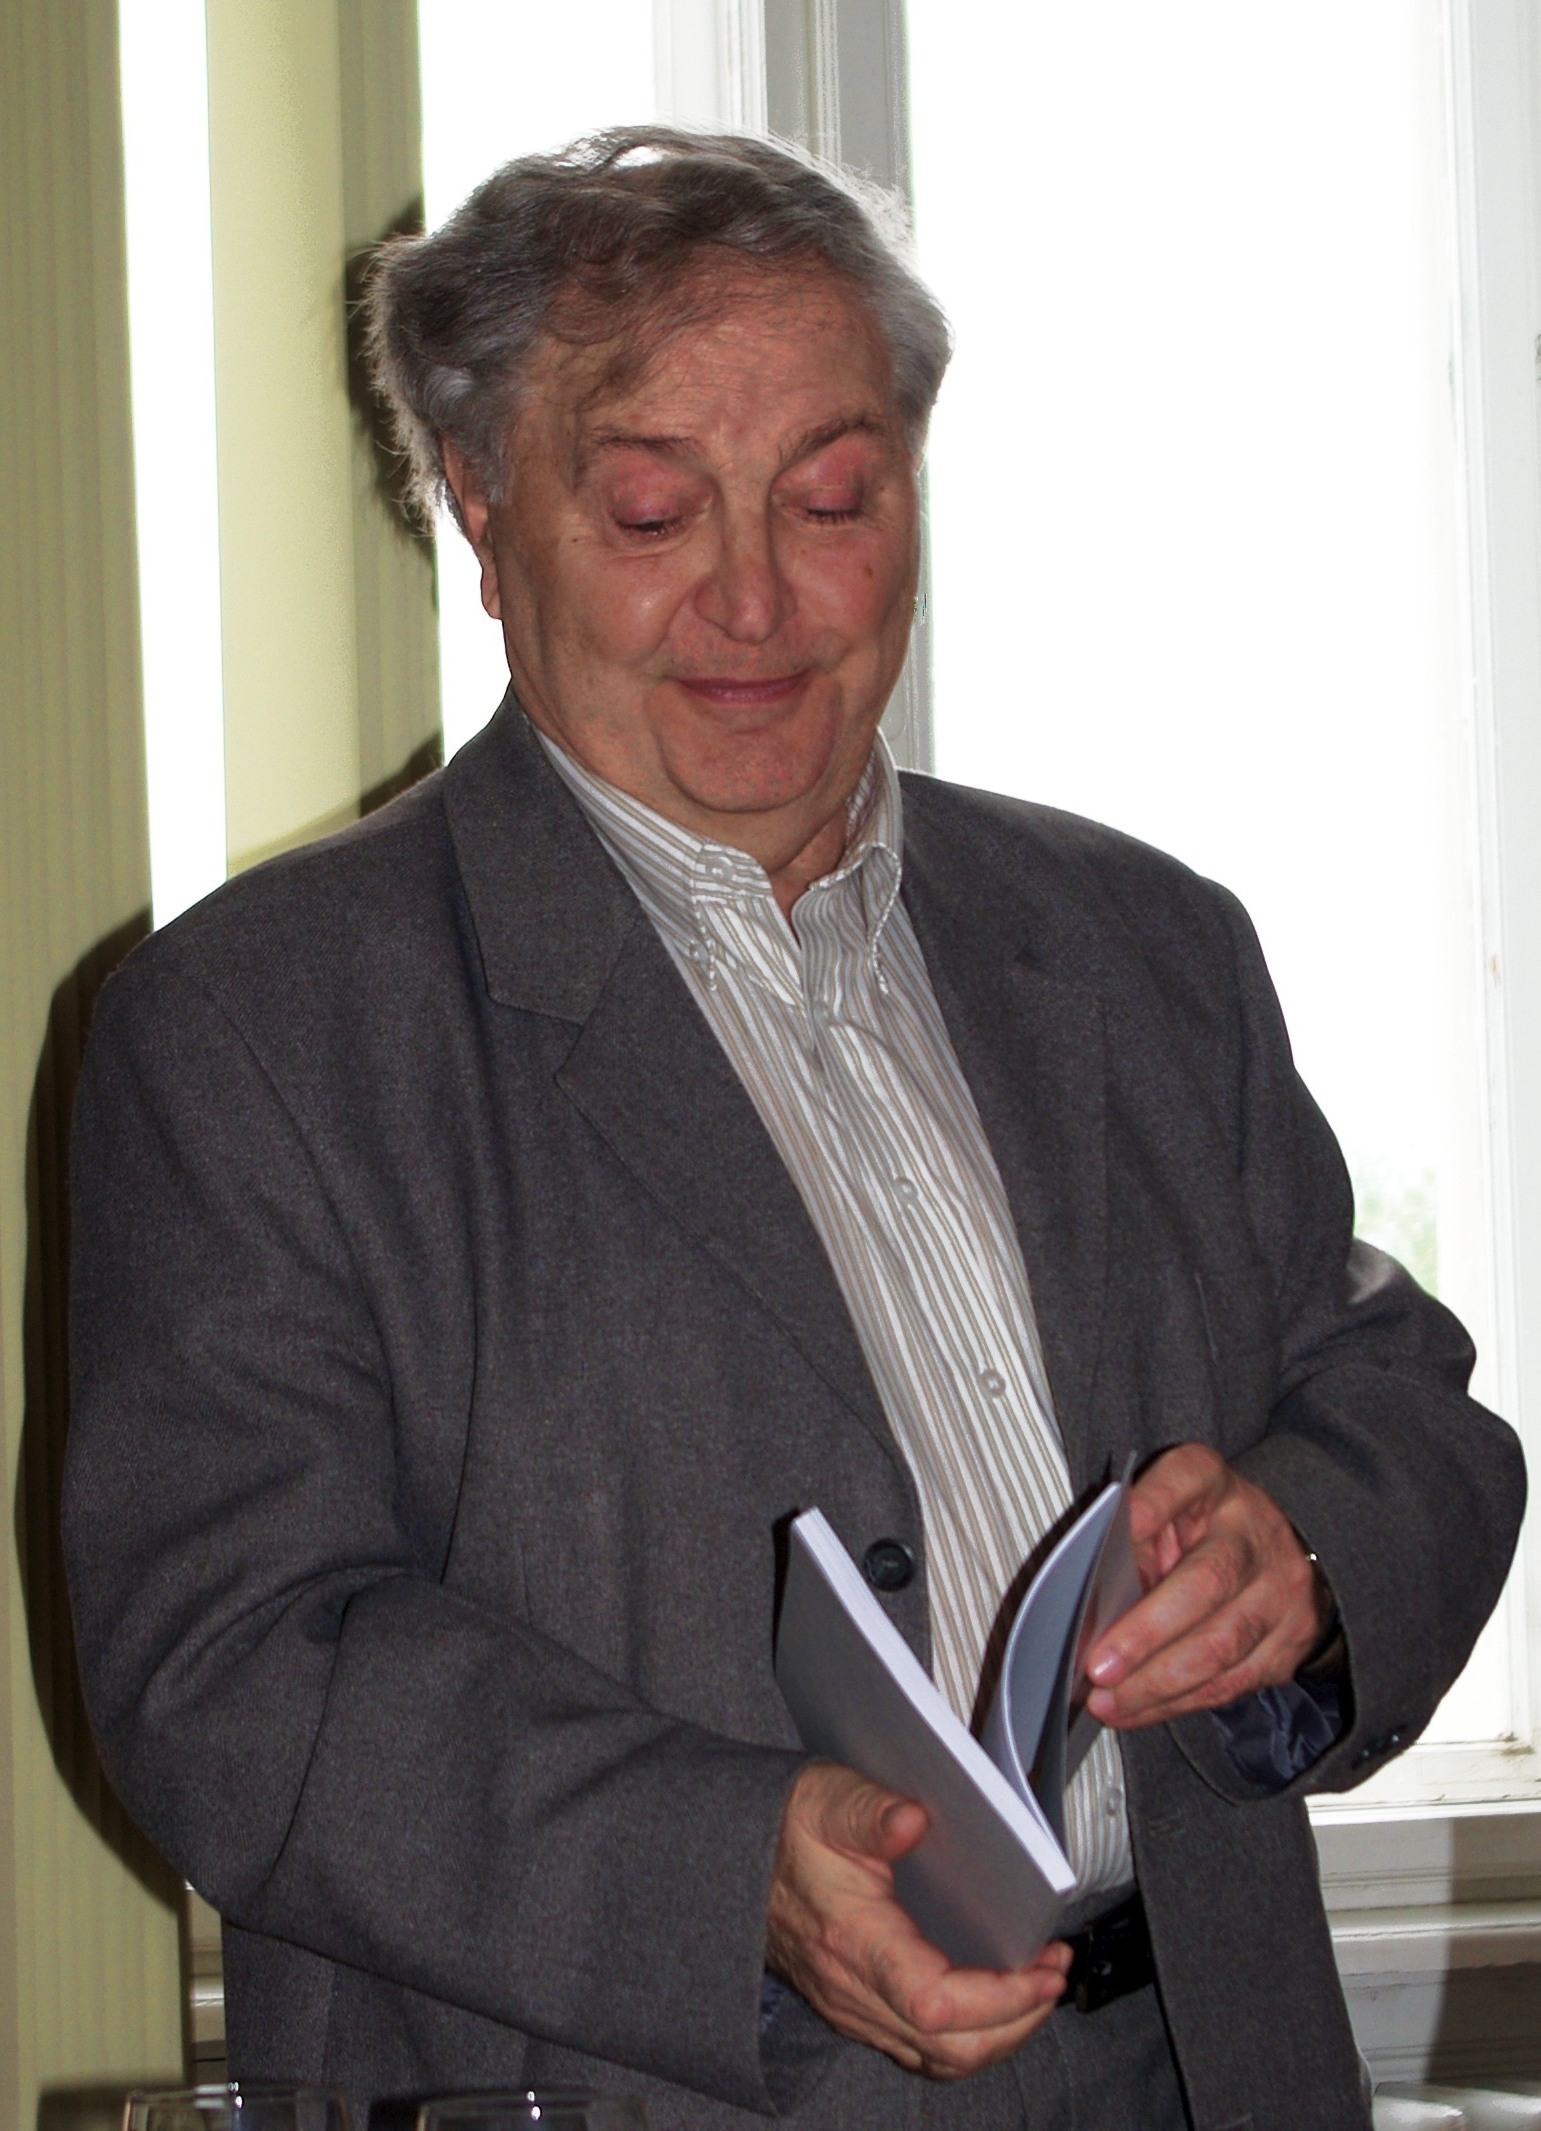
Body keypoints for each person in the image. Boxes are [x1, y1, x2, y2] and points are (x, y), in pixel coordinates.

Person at [63, 129, 1523, 2131]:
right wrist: (724, 1865)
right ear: (479, 506)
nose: (754, 599)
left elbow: (1397, 1399)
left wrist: (1310, 1557)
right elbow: (225, 1665)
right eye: (653, 510)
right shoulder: (262, 1029)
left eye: (832, 499)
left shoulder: (1144, 943)